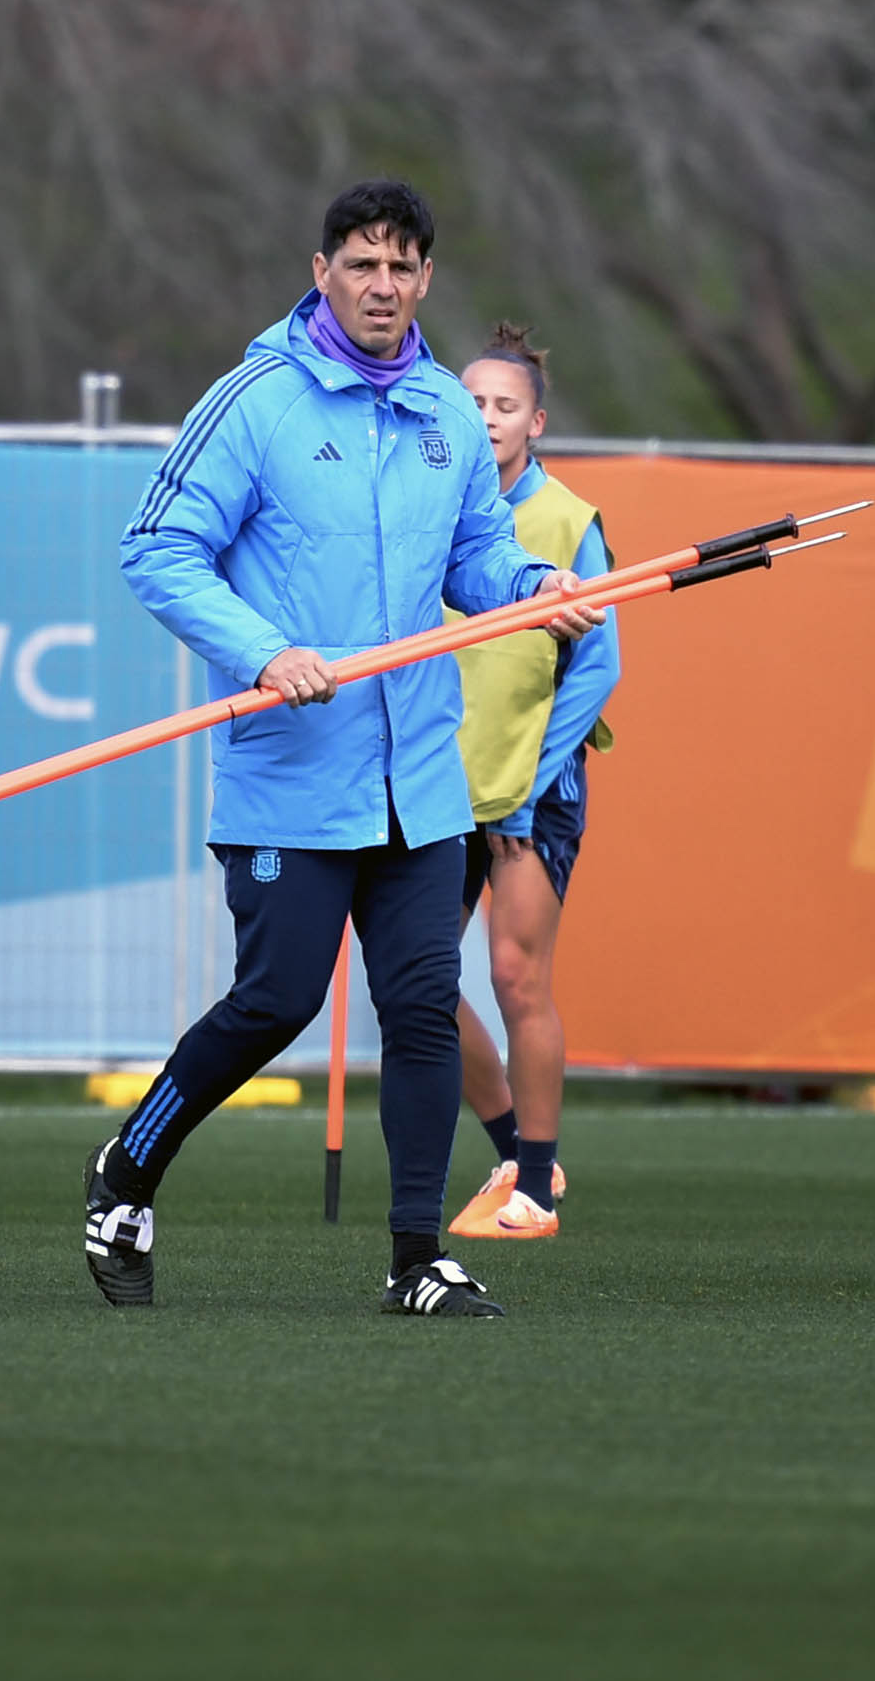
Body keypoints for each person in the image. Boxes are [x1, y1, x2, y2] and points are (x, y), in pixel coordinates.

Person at [93, 179, 604, 1317]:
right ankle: (128, 1170)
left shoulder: (439, 412)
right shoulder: (256, 400)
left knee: (423, 1002)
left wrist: (532, 587)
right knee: (274, 1002)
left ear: (427, 279)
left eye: (403, 266)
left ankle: (416, 1255)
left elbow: (476, 559)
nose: (383, 285)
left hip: (419, 777)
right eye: (362, 264)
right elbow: (157, 550)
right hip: (290, 772)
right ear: (322, 268)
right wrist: (267, 649)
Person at [441, 324, 622, 1243]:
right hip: (439, 780)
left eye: (503, 405)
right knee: (422, 980)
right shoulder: (430, 507)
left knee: (518, 976)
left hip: (531, 790)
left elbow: (598, 667)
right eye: (469, 402)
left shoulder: (569, 521)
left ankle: (535, 1197)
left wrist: (524, 785)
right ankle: (517, 1148)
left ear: (535, 422)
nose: (485, 418)